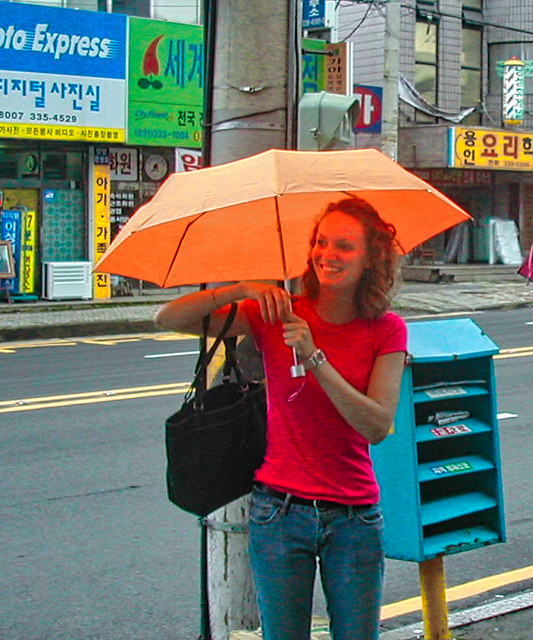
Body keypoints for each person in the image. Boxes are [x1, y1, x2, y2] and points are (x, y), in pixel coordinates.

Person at [155, 197, 408, 640]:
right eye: (321, 242)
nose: (327, 255)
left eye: (345, 246)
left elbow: (376, 425)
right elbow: (169, 319)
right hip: (279, 514)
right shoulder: (277, 313)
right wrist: (242, 289)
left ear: (372, 259)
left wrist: (313, 357)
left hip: (353, 518)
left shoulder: (385, 329)